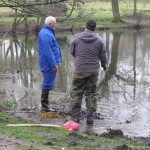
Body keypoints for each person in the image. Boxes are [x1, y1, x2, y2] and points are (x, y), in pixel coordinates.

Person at [69, 19, 107, 124]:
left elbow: (72, 52)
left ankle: (75, 117)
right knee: (91, 93)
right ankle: (90, 118)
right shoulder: (100, 40)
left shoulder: (76, 39)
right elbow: (103, 56)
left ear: (85, 27)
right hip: (93, 71)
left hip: (79, 70)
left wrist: (80, 60)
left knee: (76, 93)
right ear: (94, 28)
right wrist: (104, 66)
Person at [37, 16, 62, 112]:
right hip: (48, 64)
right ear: (51, 24)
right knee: (47, 83)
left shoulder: (47, 32)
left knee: (48, 82)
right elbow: (48, 52)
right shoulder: (46, 34)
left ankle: (46, 104)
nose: (56, 24)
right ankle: (45, 105)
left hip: (49, 62)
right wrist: (53, 64)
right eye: (55, 23)